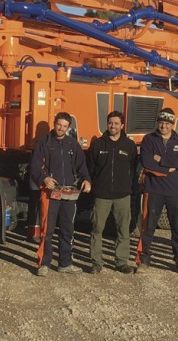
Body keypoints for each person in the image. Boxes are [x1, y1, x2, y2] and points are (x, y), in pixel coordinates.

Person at [30, 112, 91, 276]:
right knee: (47, 230)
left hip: (69, 192)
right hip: (51, 193)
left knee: (67, 229)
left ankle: (65, 263)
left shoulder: (73, 144)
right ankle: (44, 263)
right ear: (54, 123)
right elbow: (35, 167)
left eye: (64, 126)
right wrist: (44, 179)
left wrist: (86, 179)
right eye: (59, 125)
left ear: (68, 127)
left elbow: (81, 165)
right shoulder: (44, 142)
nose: (61, 128)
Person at [136, 107, 178, 275]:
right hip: (153, 190)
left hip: (175, 191)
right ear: (157, 123)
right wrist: (169, 167)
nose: (164, 126)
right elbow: (147, 162)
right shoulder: (148, 140)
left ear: (172, 124)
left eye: (167, 123)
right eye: (161, 123)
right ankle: (143, 260)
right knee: (148, 227)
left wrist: (162, 159)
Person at [87, 110, 137, 274]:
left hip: (122, 195)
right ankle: (96, 262)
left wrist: (129, 188)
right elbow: (91, 167)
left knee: (123, 230)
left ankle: (121, 261)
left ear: (122, 125)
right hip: (102, 195)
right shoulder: (98, 144)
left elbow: (133, 168)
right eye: (110, 123)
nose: (112, 126)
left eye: (116, 123)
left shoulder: (129, 146)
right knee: (97, 229)